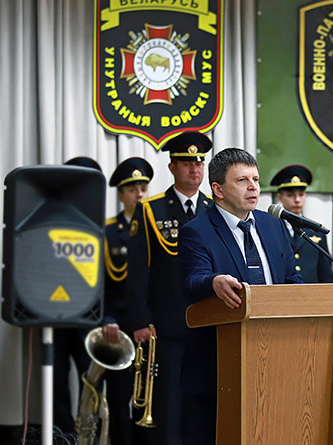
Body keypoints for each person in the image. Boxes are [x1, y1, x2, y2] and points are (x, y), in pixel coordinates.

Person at [178, 148, 303, 445]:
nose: (253, 187)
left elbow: (291, 280)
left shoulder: (273, 225)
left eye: (256, 180)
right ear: (218, 189)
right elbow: (191, 280)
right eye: (242, 180)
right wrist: (214, 282)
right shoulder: (196, 231)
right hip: (219, 364)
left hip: (276, 356)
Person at [125, 131, 214, 444]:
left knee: (203, 405)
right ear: (172, 167)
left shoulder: (215, 210)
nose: (195, 169)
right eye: (187, 163)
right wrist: (139, 321)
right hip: (166, 327)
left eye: (199, 162)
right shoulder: (151, 210)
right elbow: (136, 273)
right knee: (169, 407)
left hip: (208, 325)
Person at [103, 157, 153, 444]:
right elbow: (101, 285)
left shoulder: (157, 228)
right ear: (121, 195)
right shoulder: (108, 233)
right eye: (132, 189)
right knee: (120, 392)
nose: (139, 194)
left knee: (150, 394)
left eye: (143, 187)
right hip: (118, 328)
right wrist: (107, 318)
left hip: (152, 326)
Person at [52, 157, 103, 435]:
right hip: (54, 314)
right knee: (55, 381)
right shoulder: (51, 217)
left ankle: (91, 437)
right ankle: (62, 437)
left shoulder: (101, 223)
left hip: (90, 316)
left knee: (92, 384)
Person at [270, 165, 333, 283]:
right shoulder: (271, 230)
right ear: (280, 197)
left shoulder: (316, 231)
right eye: (290, 195)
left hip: (312, 297)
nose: (297, 200)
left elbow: (326, 274)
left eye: (301, 194)